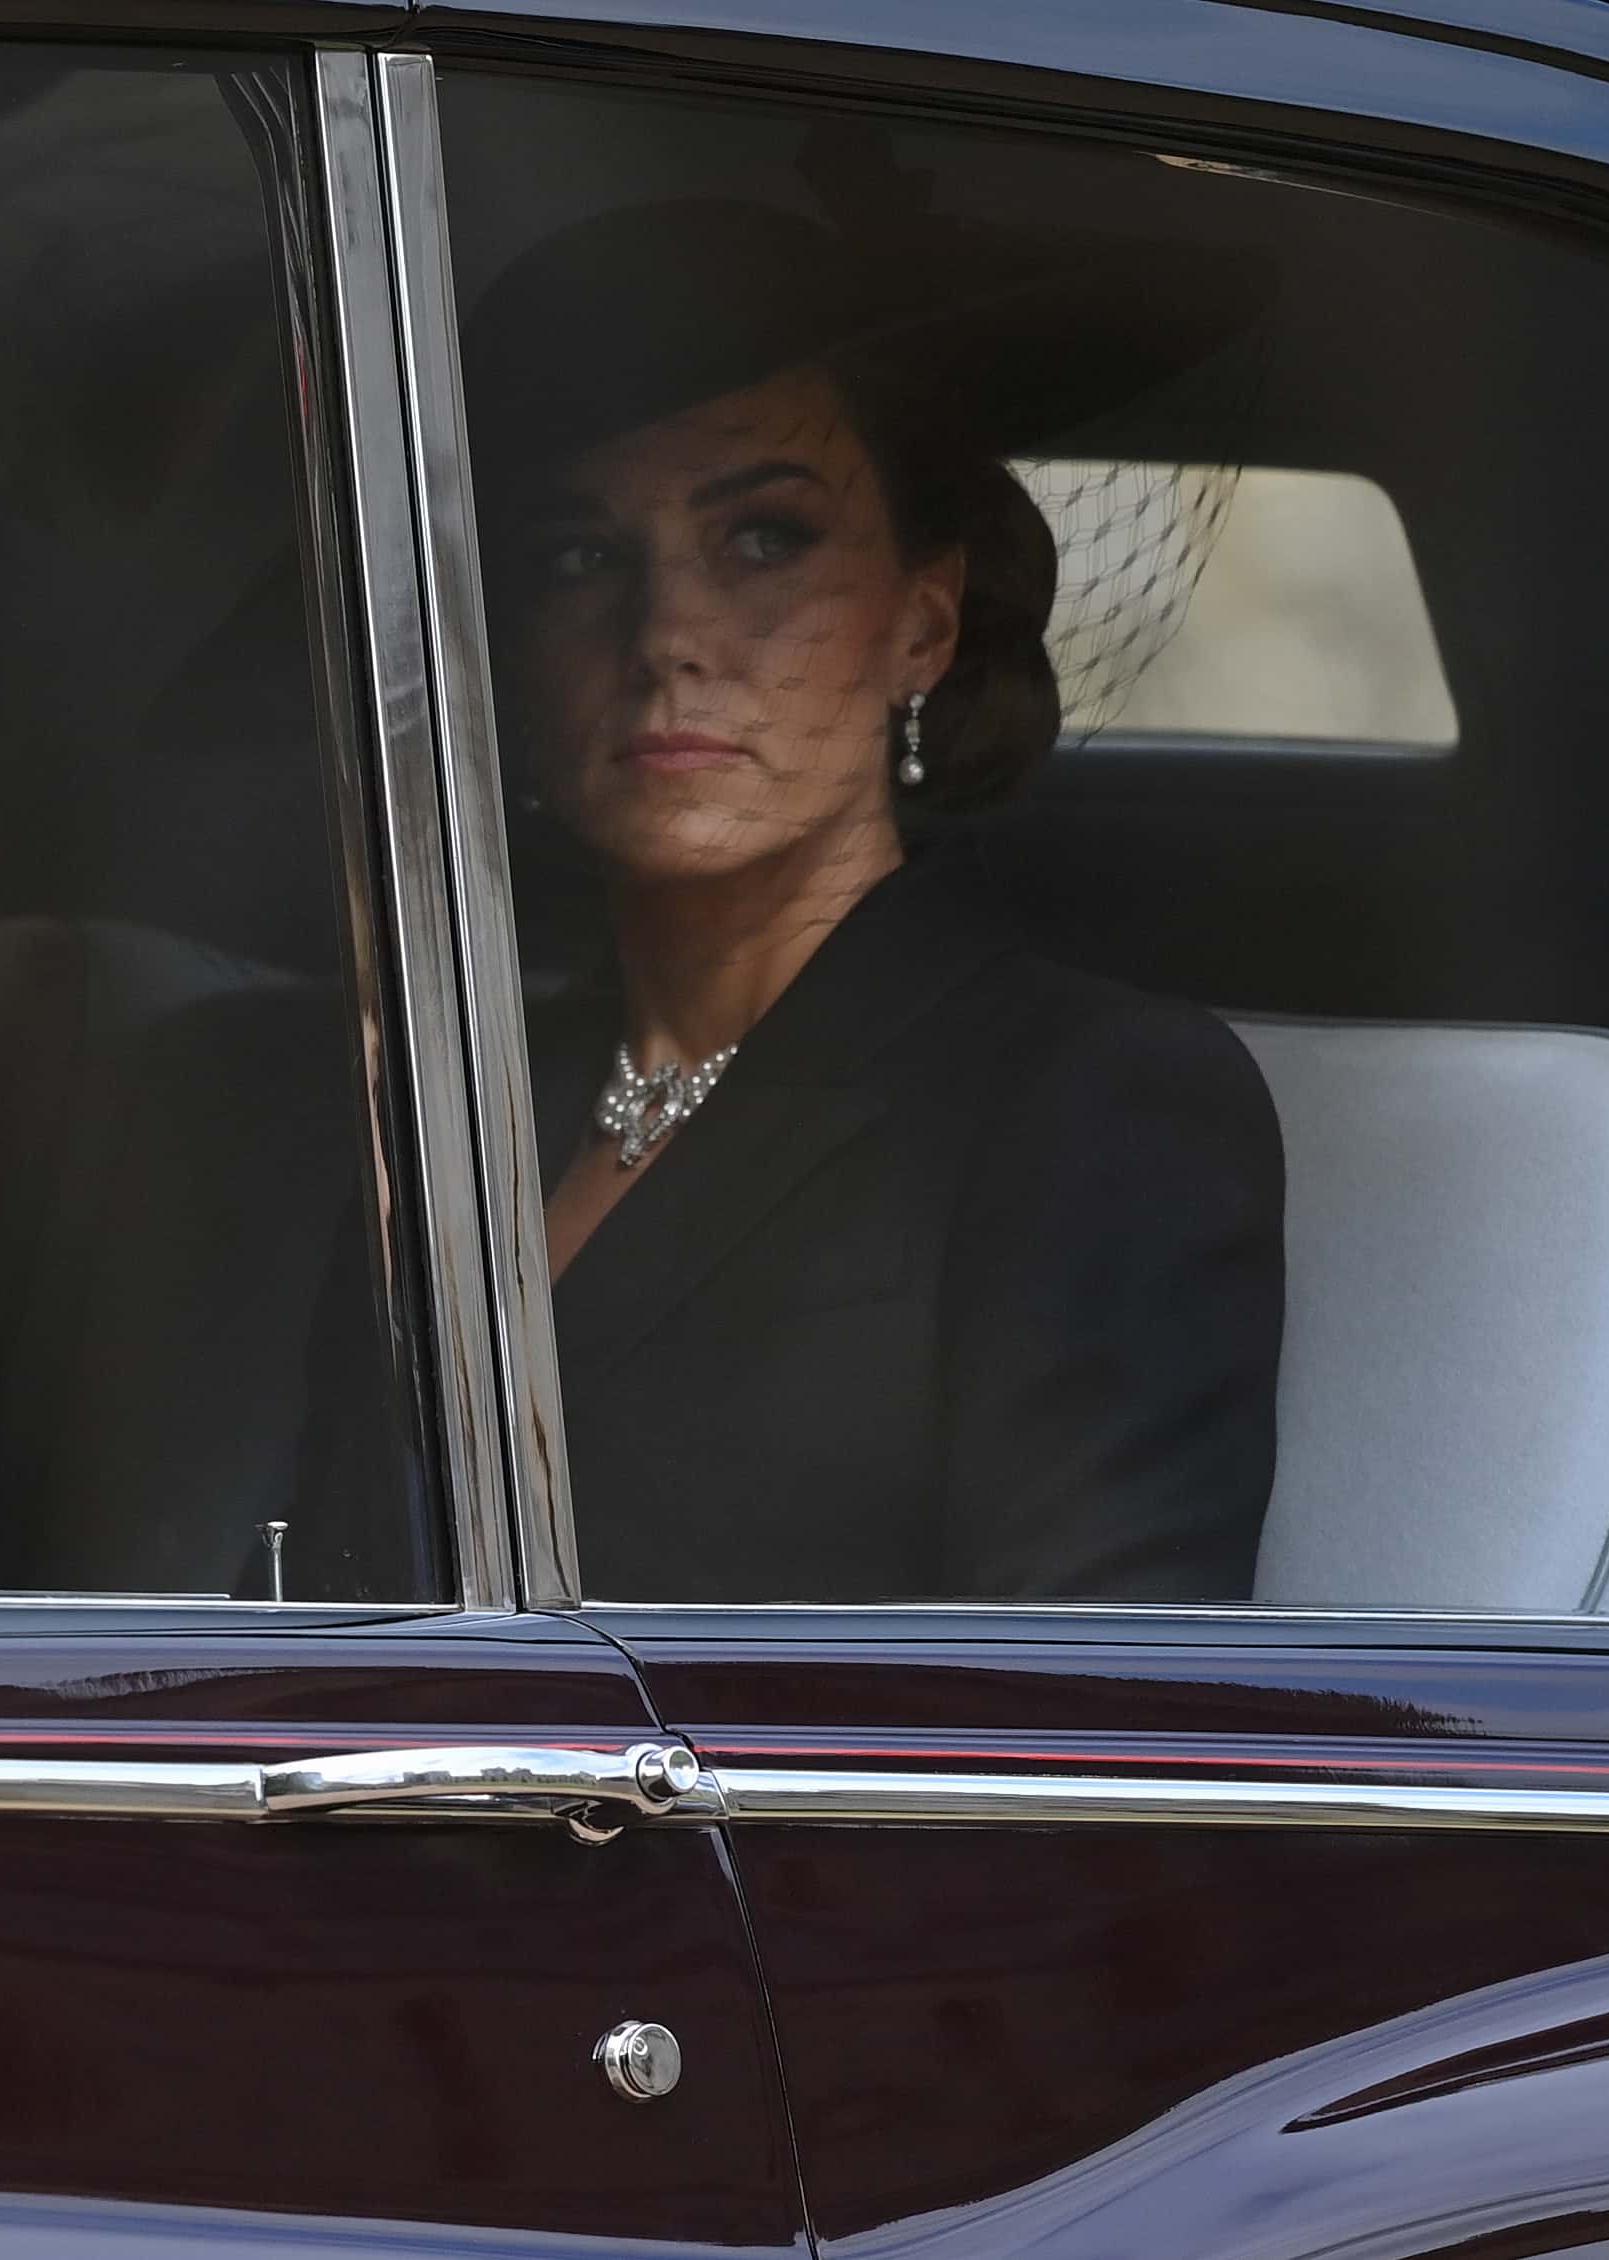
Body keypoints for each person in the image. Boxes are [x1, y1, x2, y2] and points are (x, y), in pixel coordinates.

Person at [465, 196, 1285, 1602]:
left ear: (922, 623)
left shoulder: (1091, 1100)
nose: (665, 639)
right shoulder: (458, 1098)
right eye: (579, 558)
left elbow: (1091, 1732)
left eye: (764, 541)